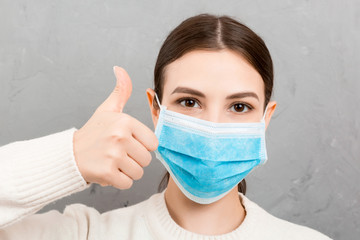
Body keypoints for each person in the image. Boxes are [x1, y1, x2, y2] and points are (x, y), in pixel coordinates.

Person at [0, 14, 331, 239]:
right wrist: (67, 158)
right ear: (156, 110)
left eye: (239, 106)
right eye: (189, 102)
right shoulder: (82, 234)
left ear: (265, 118)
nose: (212, 130)